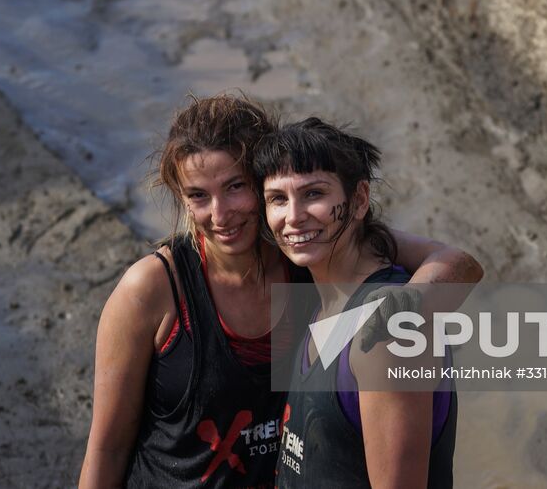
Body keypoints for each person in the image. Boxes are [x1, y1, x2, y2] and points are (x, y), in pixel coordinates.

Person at [78, 95, 481, 488]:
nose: (220, 214)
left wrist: (400, 316)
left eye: (235, 186)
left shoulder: (306, 253)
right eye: (198, 195)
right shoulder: (153, 288)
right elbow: (107, 449)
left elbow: (460, 264)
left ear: (261, 180)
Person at [257, 117, 458, 489]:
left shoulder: (386, 333)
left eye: (314, 194)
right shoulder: (321, 300)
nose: (293, 216)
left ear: (360, 199)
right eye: (277, 199)